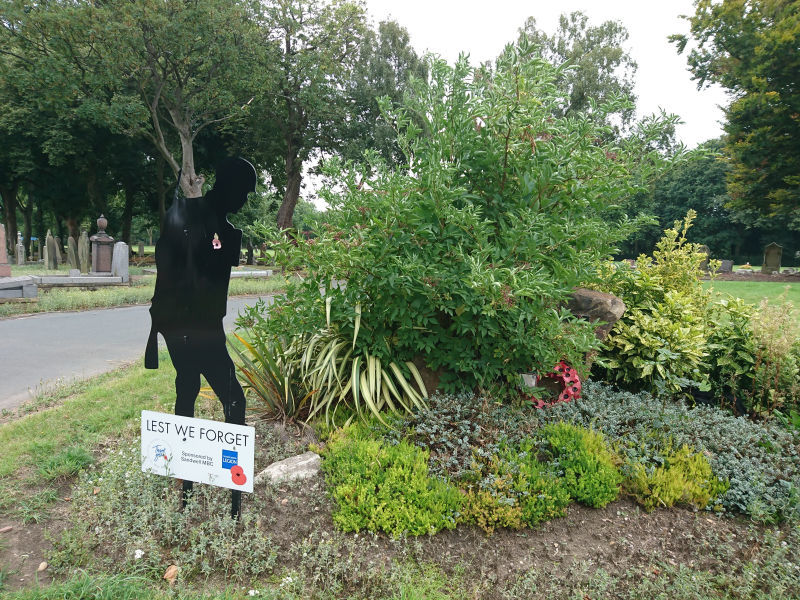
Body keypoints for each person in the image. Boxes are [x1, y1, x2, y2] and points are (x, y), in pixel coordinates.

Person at [145, 157, 257, 518]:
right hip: (198, 329)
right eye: (241, 193)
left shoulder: (194, 216)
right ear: (227, 187)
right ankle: (231, 498)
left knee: (187, 389)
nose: (242, 202)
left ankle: (189, 493)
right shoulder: (218, 229)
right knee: (234, 400)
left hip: (178, 326)